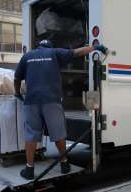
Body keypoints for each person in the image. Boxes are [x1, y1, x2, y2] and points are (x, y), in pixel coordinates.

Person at [14, 40, 107, 180]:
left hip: (31, 101)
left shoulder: (27, 56)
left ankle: (29, 169)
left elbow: (17, 77)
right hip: (51, 100)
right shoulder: (54, 52)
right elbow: (77, 52)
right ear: (49, 47)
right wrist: (95, 47)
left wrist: (17, 93)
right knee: (58, 133)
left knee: (31, 134)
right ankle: (64, 164)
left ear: (38, 46)